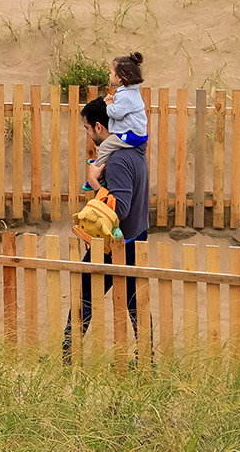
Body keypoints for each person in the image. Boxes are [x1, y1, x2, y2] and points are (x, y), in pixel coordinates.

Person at [64, 95, 151, 361]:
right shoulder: (135, 152)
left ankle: (68, 357)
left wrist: (95, 182)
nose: (88, 135)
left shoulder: (117, 161)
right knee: (135, 302)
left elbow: (120, 208)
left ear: (99, 127)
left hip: (117, 243)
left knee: (84, 297)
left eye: (88, 129)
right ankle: (146, 359)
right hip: (136, 236)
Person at [85, 52, 148, 190]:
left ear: (120, 77)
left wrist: (109, 105)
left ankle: (97, 173)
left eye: (111, 73)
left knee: (106, 146)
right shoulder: (131, 92)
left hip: (131, 135)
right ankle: (101, 166)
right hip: (135, 134)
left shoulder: (125, 95)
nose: (109, 75)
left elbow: (116, 113)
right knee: (110, 146)